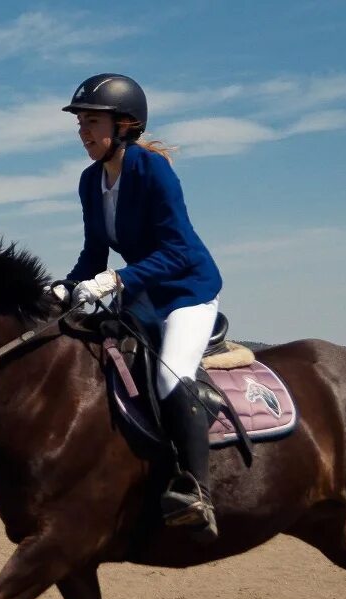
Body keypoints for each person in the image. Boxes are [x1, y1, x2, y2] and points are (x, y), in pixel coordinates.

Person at [55, 72, 224, 541]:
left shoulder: (154, 171)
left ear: (125, 125)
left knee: (172, 377)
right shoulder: (91, 182)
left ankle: (196, 491)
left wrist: (114, 280)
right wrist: (66, 288)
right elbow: (93, 253)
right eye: (80, 124)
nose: (84, 132)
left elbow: (178, 252)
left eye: (93, 121)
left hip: (188, 290)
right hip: (144, 294)